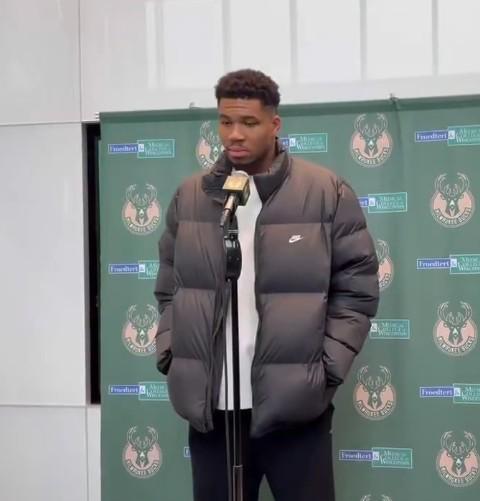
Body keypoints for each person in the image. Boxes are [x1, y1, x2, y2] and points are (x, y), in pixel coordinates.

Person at [154, 69, 379, 501]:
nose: (234, 134)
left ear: (275, 124)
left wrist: (324, 371)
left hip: (294, 411)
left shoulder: (325, 192)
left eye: (249, 122)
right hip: (213, 411)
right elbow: (170, 287)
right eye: (225, 121)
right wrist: (172, 350)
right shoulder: (191, 197)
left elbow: (357, 289)